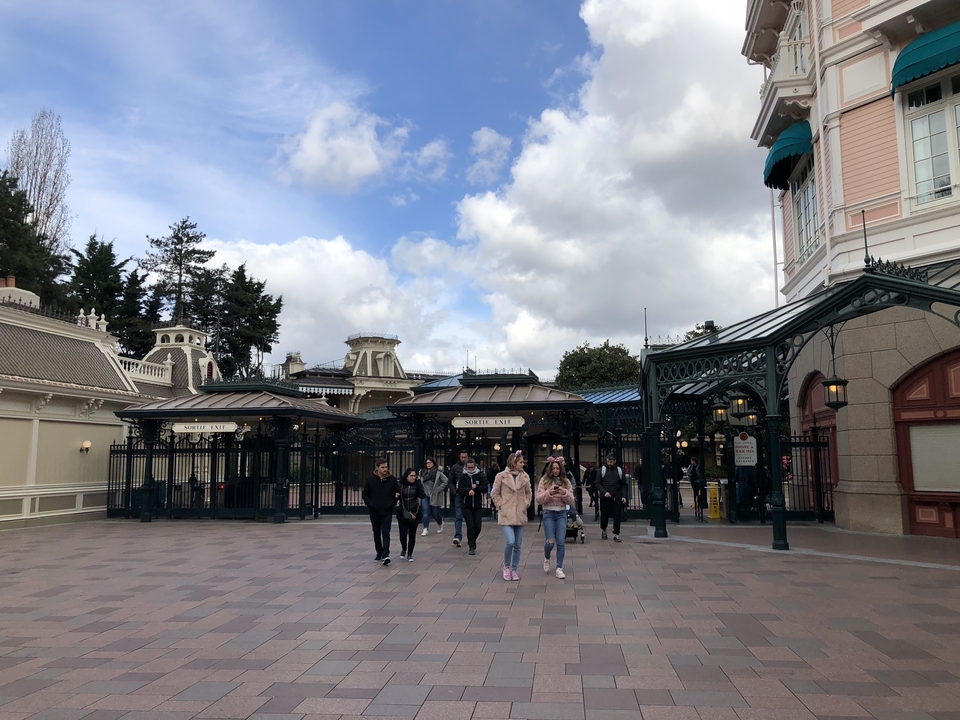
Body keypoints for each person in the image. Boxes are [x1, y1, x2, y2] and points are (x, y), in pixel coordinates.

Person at [491, 450, 532, 581]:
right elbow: (495, 493)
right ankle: (506, 567)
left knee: (518, 544)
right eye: (520, 462)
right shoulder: (501, 476)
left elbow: (528, 492)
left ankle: (514, 569)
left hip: (520, 513)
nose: (523, 464)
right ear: (514, 463)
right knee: (511, 541)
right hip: (506, 513)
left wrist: (526, 503)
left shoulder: (525, 477)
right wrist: (500, 504)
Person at [536, 460, 576, 579]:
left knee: (561, 542)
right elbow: (539, 499)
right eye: (553, 468)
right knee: (550, 542)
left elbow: (571, 500)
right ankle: (547, 557)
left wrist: (564, 492)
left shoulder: (566, 481)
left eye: (557, 468)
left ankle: (559, 568)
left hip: (561, 513)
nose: (555, 471)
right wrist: (549, 493)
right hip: (548, 513)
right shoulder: (544, 480)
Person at [361, 458, 400, 565]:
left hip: (387, 510)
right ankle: (379, 552)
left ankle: (386, 554)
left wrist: (392, 503)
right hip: (374, 511)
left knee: (386, 532)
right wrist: (371, 504)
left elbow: (397, 492)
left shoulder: (392, 479)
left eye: (386, 467)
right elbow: (365, 494)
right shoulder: (370, 480)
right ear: (377, 467)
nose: (385, 469)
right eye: (382, 467)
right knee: (376, 532)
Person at [457, 457, 487, 555]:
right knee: (470, 526)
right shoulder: (463, 477)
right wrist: (468, 491)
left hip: (477, 505)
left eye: (472, 467)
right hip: (466, 505)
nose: (470, 469)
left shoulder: (479, 475)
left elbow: (485, 488)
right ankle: (472, 546)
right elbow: (459, 489)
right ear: (466, 467)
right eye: (469, 467)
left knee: (478, 527)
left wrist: (477, 487)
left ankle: (472, 539)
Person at [596, 453, 626, 542]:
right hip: (605, 497)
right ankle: (604, 529)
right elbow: (597, 483)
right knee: (604, 515)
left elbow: (624, 484)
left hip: (617, 496)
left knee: (617, 515)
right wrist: (604, 492)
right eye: (608, 461)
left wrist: (624, 496)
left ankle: (616, 533)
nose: (609, 463)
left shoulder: (619, 471)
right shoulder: (602, 470)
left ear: (615, 461)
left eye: (611, 461)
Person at [398, 468, 426, 560]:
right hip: (403, 512)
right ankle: (404, 548)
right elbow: (396, 496)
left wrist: (419, 483)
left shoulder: (417, 485)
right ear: (406, 476)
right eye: (411, 476)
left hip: (415, 512)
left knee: (412, 534)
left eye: (414, 476)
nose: (413, 477)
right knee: (403, 534)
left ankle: (410, 553)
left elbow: (422, 495)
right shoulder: (401, 485)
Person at [419, 457, 448, 536]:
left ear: (433, 463)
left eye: (430, 463)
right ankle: (425, 528)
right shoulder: (422, 472)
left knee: (435, 512)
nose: (428, 464)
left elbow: (445, 480)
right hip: (425, 494)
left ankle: (440, 522)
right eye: (427, 463)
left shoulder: (437, 472)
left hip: (434, 495)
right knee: (425, 511)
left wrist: (438, 489)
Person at [449, 451, 468, 548]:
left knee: (470, 518)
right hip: (458, 494)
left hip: (469, 494)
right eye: (462, 457)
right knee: (459, 516)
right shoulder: (455, 467)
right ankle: (458, 536)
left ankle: (471, 537)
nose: (463, 459)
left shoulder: (472, 467)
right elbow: (450, 481)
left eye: (465, 457)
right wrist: (454, 492)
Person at [689, 456, 705, 522]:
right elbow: (688, 472)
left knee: (698, 494)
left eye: (692, 461)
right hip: (693, 481)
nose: (691, 462)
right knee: (695, 493)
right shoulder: (691, 467)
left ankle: (698, 505)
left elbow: (700, 474)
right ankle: (696, 505)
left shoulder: (698, 466)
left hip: (697, 482)